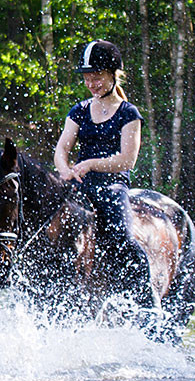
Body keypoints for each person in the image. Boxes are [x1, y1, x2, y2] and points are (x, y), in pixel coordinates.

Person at [53, 39, 152, 306]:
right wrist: (64, 170)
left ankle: (146, 300)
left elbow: (127, 160)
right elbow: (62, 149)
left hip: (112, 186)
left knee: (123, 237)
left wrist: (91, 164)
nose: (91, 83)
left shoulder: (129, 113)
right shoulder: (79, 111)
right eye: (87, 78)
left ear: (113, 75)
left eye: (96, 77)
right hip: (79, 183)